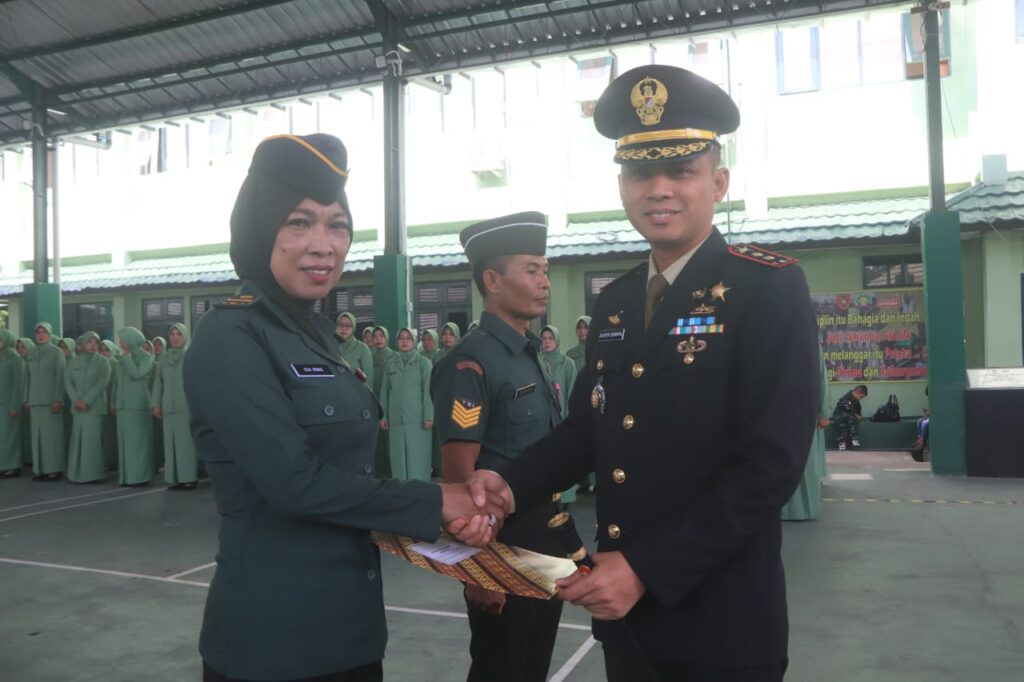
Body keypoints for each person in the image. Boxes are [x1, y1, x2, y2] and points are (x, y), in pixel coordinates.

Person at [467, 65, 819, 682]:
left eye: (681, 170)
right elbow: (588, 429)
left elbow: (771, 464)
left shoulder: (767, 287)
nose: (659, 188)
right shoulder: (618, 300)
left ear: (719, 182)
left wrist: (646, 568)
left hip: (720, 620)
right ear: (623, 185)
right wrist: (509, 484)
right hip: (625, 618)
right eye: (640, 172)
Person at [182, 133, 499, 682]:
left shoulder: (317, 337)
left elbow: (351, 477)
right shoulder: (230, 336)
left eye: (338, 225)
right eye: (299, 222)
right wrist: (435, 503)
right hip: (273, 641)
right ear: (262, 228)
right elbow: (293, 483)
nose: (324, 243)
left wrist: (442, 523)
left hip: (349, 630)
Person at [432, 212, 566, 682]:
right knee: (501, 669)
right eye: (532, 270)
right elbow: (457, 476)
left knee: (533, 667)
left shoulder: (530, 356)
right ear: (492, 279)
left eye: (545, 270)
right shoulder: (472, 362)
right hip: (501, 547)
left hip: (545, 540)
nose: (544, 282)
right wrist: (476, 571)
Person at [379, 327, 434, 481]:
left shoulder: (424, 364)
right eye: (401, 338)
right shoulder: (390, 365)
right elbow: (385, 392)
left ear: (414, 341)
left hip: (418, 420)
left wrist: (429, 416)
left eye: (408, 338)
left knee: (418, 459)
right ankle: (401, 493)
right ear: (396, 342)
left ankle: (421, 492)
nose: (404, 341)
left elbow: (429, 392)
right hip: (396, 420)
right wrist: (383, 416)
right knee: (398, 462)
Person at [782, 348, 829, 521]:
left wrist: (824, 412)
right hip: (777, 413)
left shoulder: (811, 345)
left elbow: (822, 378)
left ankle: (803, 510)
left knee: (805, 462)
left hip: (803, 413)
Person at [151, 323, 198, 490]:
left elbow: (196, 383)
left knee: (185, 443)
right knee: (170, 443)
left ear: (185, 337)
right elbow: (158, 382)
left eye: (179, 334)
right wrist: (155, 404)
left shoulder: (191, 355)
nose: (175, 337)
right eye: (172, 334)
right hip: (168, 406)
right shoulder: (163, 358)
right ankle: (174, 477)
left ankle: (189, 477)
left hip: (185, 406)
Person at [539, 324, 578, 506]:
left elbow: (572, 392)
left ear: (557, 340)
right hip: (543, 422)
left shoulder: (567, 363)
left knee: (563, 461)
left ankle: (565, 499)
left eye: (550, 338)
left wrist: (570, 420)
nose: (547, 342)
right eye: (544, 339)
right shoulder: (537, 362)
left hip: (562, 421)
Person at [65, 331, 111, 483]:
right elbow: (68, 383)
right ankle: (75, 474)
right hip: (77, 408)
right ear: (82, 344)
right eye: (89, 342)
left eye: (95, 342)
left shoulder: (103, 362)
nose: (92, 345)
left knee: (91, 442)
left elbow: (101, 384)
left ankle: (93, 475)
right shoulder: (73, 362)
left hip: (94, 407)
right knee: (77, 440)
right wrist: (76, 400)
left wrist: (86, 401)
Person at [113, 327, 155, 486]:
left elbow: (137, 374)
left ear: (130, 340)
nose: (120, 343)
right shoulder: (123, 358)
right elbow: (118, 383)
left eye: (123, 339)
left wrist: (127, 357)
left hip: (137, 406)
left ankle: (140, 477)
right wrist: (115, 403)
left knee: (138, 444)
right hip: (123, 406)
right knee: (124, 443)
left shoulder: (146, 357)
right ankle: (127, 477)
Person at [25, 322, 66, 481]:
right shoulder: (31, 353)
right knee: (37, 437)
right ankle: (40, 469)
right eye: (38, 332)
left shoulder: (56, 352)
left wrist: (58, 399)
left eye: (44, 332)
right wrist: (26, 398)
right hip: (35, 401)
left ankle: (54, 469)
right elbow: (27, 377)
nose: (41, 335)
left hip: (51, 401)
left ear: (49, 335)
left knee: (52, 437)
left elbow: (60, 377)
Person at [0, 328, 26, 477]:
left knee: (9, 436)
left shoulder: (15, 358)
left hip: (9, 404)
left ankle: (12, 466)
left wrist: (15, 405)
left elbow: (19, 384)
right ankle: (3, 464)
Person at [335, 312, 374, 387]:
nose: (343, 328)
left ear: (353, 328)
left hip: (355, 394)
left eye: (348, 325)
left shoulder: (362, 348)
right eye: (340, 324)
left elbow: (368, 380)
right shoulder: (330, 345)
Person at [99, 340, 121, 472]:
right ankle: (106, 459)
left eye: (106, 350)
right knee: (104, 435)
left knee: (112, 434)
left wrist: (113, 403)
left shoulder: (115, 364)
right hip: (102, 404)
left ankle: (113, 460)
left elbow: (116, 386)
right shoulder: (99, 364)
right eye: (101, 350)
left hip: (112, 405)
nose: (103, 353)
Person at [833, 384, 867, 451]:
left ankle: (854, 442)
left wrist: (859, 416)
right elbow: (847, 409)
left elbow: (858, 411)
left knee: (852, 418)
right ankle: (842, 443)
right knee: (846, 418)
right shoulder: (846, 398)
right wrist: (855, 415)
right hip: (840, 415)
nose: (861, 399)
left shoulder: (856, 401)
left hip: (849, 417)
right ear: (858, 392)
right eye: (861, 397)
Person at [16, 338, 33, 467]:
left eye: (23, 347)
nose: (21, 350)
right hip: (19, 401)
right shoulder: (18, 362)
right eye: (19, 347)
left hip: (30, 401)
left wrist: (27, 398)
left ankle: (31, 457)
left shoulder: (32, 362)